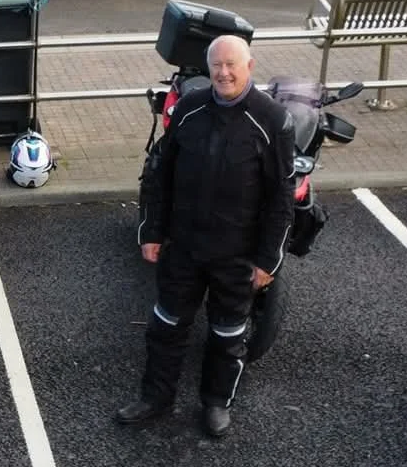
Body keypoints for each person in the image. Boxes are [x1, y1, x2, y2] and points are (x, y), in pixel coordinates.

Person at [116, 35, 292, 438]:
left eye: (232, 65)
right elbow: (159, 175)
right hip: (184, 246)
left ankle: (216, 403)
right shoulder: (189, 110)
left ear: (250, 66)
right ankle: (155, 397)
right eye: (217, 65)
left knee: (228, 335)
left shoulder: (271, 121)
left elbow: (281, 198)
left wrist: (268, 260)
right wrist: (152, 232)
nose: (223, 73)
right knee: (166, 326)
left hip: (237, 254)